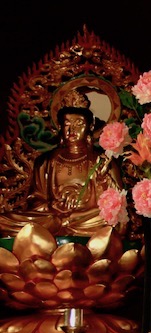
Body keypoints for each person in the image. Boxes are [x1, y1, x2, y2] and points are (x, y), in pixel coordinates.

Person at [0, 89, 123, 237]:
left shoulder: (102, 160)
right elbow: (34, 201)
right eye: (67, 124)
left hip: (86, 219)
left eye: (79, 123)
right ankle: (59, 227)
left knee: (114, 218)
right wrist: (52, 206)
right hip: (52, 218)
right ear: (59, 127)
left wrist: (103, 179)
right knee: (4, 220)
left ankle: (61, 229)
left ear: (90, 126)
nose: (72, 129)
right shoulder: (45, 161)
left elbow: (117, 202)